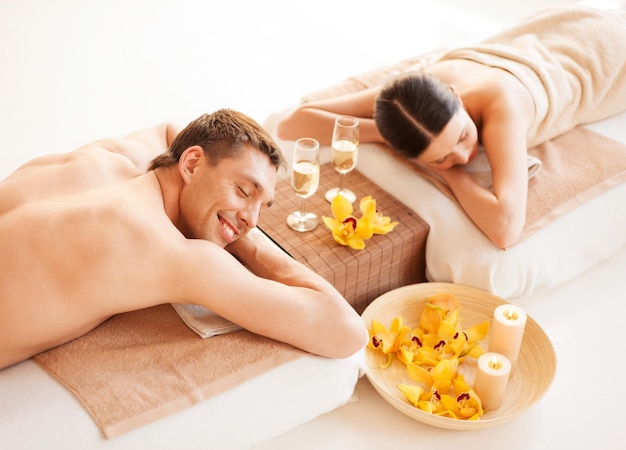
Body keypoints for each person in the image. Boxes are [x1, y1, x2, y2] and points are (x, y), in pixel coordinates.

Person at [0, 109, 368, 370]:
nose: (252, 220)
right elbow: (347, 332)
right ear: (190, 164)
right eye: (243, 189)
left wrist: (231, 212)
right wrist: (244, 241)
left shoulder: (113, 158)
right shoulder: (165, 251)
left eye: (262, 206)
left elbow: (175, 130)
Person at [276, 5, 626, 248]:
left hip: (606, 48)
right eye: (443, 157)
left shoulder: (502, 105)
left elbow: (505, 228)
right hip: (561, 38)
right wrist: (382, 132)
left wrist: (446, 171)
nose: (465, 154)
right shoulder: (408, 100)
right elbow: (295, 123)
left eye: (462, 135)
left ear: (454, 96)